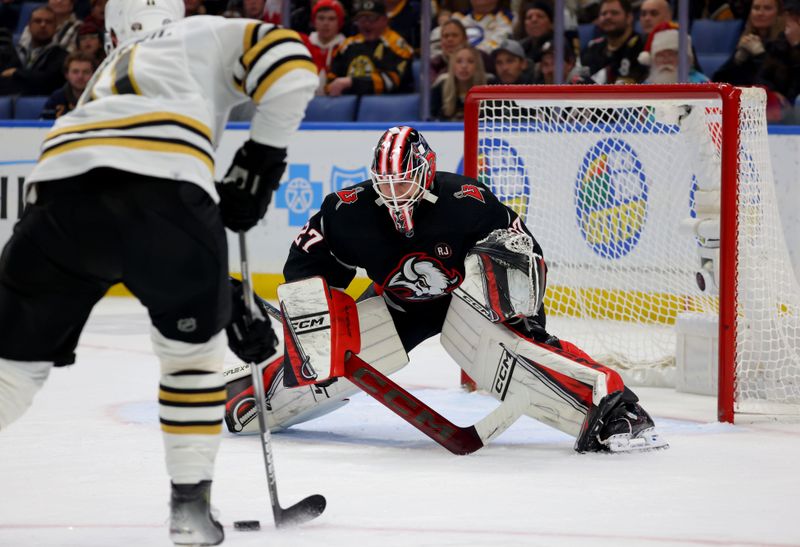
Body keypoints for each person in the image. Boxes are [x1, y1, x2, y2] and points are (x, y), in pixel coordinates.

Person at [0, 0, 317, 545]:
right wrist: (261, 163)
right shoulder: (204, 32)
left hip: (58, 197)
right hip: (169, 192)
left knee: (12, 369)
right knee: (190, 360)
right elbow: (294, 63)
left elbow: (114, 194)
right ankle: (190, 509)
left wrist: (224, 294)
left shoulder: (104, 74)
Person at [222, 126, 668, 457]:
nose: (394, 192)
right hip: (399, 304)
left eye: (404, 180)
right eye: (386, 182)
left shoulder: (467, 201)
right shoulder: (347, 211)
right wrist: (313, 322)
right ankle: (253, 390)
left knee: (507, 356)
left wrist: (521, 322)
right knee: (334, 358)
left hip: (469, 303)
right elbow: (307, 266)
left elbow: (523, 259)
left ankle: (612, 410)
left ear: (426, 170)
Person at [325, 0, 414, 96]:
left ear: (385, 20)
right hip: (348, 104)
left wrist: (351, 82)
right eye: (362, 19)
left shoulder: (397, 46)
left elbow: (390, 81)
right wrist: (331, 87)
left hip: (389, 104)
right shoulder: (347, 45)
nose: (366, 24)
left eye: (372, 19)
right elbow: (331, 79)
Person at [0, 6, 68, 96]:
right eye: (38, 21)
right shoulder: (10, 52)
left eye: (48, 22)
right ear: (29, 25)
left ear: (56, 28)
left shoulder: (63, 56)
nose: (43, 25)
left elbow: (48, 80)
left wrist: (16, 73)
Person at [713, 0, 785, 84]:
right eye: (756, 8)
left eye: (767, 8)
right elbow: (717, 80)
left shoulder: (784, 42)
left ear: (779, 14)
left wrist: (760, 55)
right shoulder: (747, 39)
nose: (760, 13)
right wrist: (736, 60)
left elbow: (777, 83)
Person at [580, 0, 647, 83]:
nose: (608, 17)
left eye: (614, 13)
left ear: (629, 17)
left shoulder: (642, 46)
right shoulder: (592, 47)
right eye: (604, 14)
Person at [430, 44, 491, 120]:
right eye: (459, 61)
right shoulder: (440, 88)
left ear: (477, 66)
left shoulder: (490, 88)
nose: (464, 66)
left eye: (470, 61)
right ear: (452, 66)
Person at [639, 22, 710, 83]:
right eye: (660, 55)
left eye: (671, 54)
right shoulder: (646, 86)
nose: (665, 60)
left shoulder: (703, 84)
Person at [41, 50, 95, 119]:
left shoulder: (101, 97)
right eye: (75, 72)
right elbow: (43, 125)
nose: (80, 76)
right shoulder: (57, 98)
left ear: (94, 75)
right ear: (66, 75)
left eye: (86, 72)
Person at [17, 0, 83, 54]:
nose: (59, 1)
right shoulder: (34, 22)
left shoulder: (79, 27)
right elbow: (22, 47)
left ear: (72, 4)